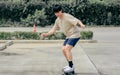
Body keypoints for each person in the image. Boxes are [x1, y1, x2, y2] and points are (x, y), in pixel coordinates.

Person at [41, 4, 85, 73]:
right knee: (63, 49)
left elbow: (77, 20)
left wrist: (81, 24)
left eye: (58, 12)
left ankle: (71, 67)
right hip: (68, 36)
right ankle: (70, 65)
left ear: (61, 11)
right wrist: (45, 34)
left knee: (67, 49)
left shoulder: (66, 16)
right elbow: (53, 30)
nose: (57, 14)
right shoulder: (57, 20)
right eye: (55, 13)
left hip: (74, 34)